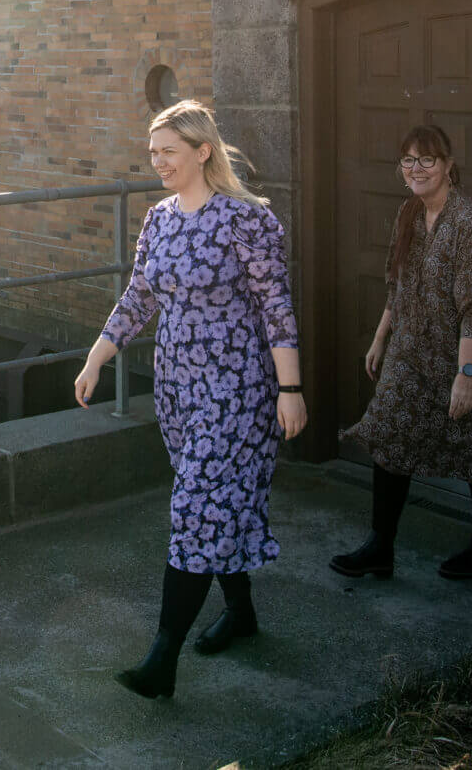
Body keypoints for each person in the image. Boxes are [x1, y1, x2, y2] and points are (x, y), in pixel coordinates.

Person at [73, 99, 305, 700]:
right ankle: (242, 613)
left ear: (203, 151)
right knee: (216, 505)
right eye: (153, 153)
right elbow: (139, 298)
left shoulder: (244, 221)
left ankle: (162, 659)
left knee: (196, 510)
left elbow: (277, 310)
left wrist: (291, 389)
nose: (159, 163)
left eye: (168, 152)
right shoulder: (159, 220)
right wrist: (98, 357)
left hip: (237, 390)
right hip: (177, 390)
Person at [334, 123, 472, 582]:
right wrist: (380, 337)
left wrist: (467, 374)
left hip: (463, 355)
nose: (416, 169)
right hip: (411, 352)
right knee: (389, 431)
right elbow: (398, 281)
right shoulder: (409, 213)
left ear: (449, 165)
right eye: (408, 160)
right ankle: (380, 546)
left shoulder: (467, 223)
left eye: (426, 160)